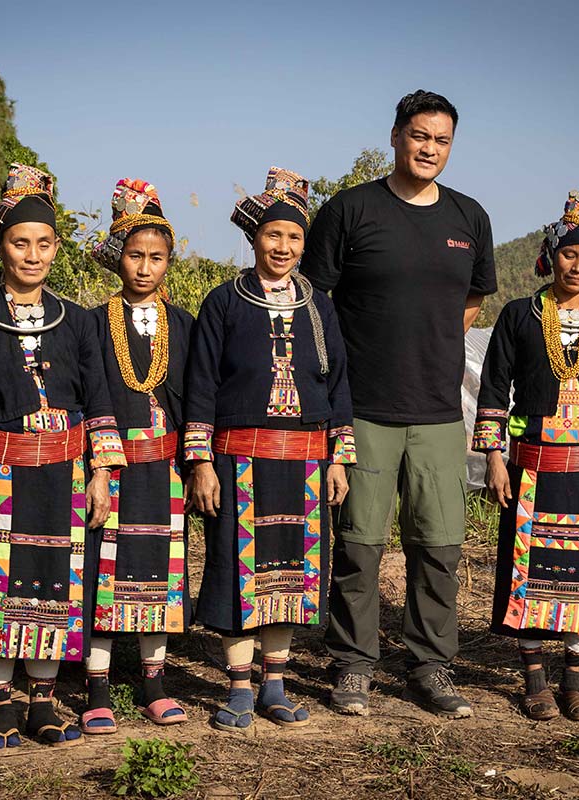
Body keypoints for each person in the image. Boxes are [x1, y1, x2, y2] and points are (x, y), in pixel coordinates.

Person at [302, 89, 496, 717]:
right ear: (395, 136)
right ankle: (353, 665)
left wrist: (428, 344)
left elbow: (473, 301)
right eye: (419, 135)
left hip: (439, 410)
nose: (429, 148)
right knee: (359, 546)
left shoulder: (469, 218)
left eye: (441, 140)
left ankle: (430, 667)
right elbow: (314, 305)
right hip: (363, 408)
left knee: (438, 547)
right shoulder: (350, 210)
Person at [0, 163, 126, 750]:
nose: (33, 255)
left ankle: (42, 702)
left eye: (44, 243)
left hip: (63, 475)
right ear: (1, 246)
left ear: (56, 248)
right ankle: (0, 705)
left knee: (51, 585)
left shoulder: (79, 322)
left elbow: (99, 402)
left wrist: (101, 473)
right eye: (21, 243)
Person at [185, 167, 355, 734]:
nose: (283, 246)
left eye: (293, 237)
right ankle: (238, 687)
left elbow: (339, 386)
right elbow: (201, 386)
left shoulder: (319, 306)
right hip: (238, 459)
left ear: (304, 244)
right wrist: (201, 461)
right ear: (254, 237)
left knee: (289, 573)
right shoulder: (223, 303)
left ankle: (275, 686)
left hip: (304, 460)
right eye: (273, 234)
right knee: (239, 573)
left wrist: (338, 458)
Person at [474, 191, 579, 721]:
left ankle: (573, 677)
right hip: (531, 466)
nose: (578, 266)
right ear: (552, 254)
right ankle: (533, 678)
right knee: (529, 569)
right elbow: (493, 389)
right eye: (570, 254)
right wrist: (494, 459)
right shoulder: (520, 315)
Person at [79, 178, 193, 733]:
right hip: (112, 468)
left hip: (166, 469)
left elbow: (196, 400)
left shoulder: (185, 325)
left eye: (156, 257)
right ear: (117, 257)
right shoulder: (91, 324)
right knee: (103, 574)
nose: (145, 268)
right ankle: (96, 690)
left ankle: (154, 686)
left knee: (159, 573)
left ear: (168, 261)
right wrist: (98, 468)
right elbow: (86, 398)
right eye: (135, 255)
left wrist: (197, 467)